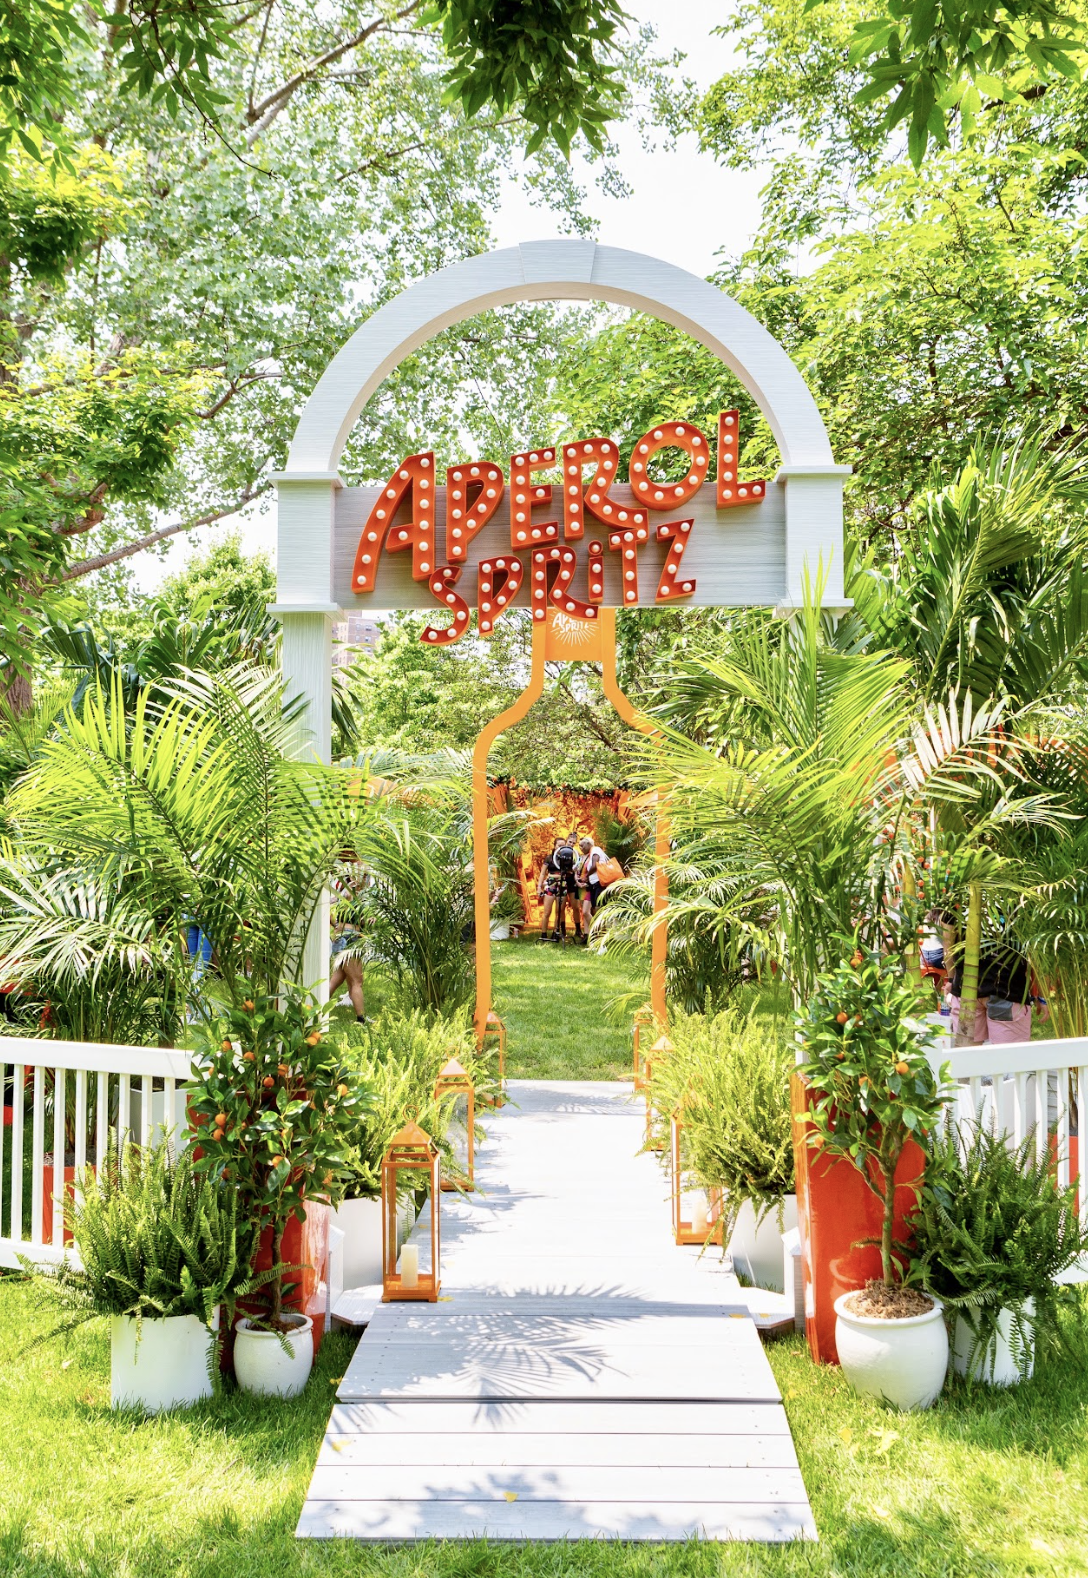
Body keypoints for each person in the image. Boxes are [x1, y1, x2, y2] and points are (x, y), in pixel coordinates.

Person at [579, 835, 609, 933]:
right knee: (594, 908)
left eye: (582, 845)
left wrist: (586, 876)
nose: (581, 848)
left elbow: (595, 865)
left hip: (599, 883)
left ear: (589, 844)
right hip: (594, 884)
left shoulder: (595, 850)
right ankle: (597, 932)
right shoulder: (591, 853)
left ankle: (601, 933)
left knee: (598, 908)